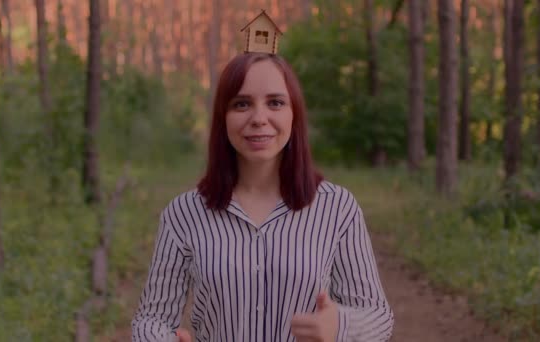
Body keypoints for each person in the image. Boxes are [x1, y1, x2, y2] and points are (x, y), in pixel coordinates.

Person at [131, 52, 394, 341]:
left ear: (294, 114)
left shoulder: (338, 208)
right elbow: (151, 320)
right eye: (242, 104)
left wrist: (340, 326)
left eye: (275, 103)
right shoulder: (182, 214)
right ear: (223, 117)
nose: (259, 118)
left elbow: (377, 316)